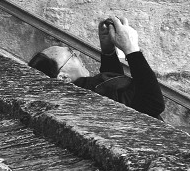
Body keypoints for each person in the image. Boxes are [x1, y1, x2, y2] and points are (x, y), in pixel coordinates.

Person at [28, 15, 165, 120]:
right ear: (63, 77)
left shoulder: (73, 96)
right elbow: (154, 103)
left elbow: (116, 91)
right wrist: (131, 49)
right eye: (72, 55)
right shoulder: (89, 90)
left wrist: (108, 52)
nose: (78, 54)